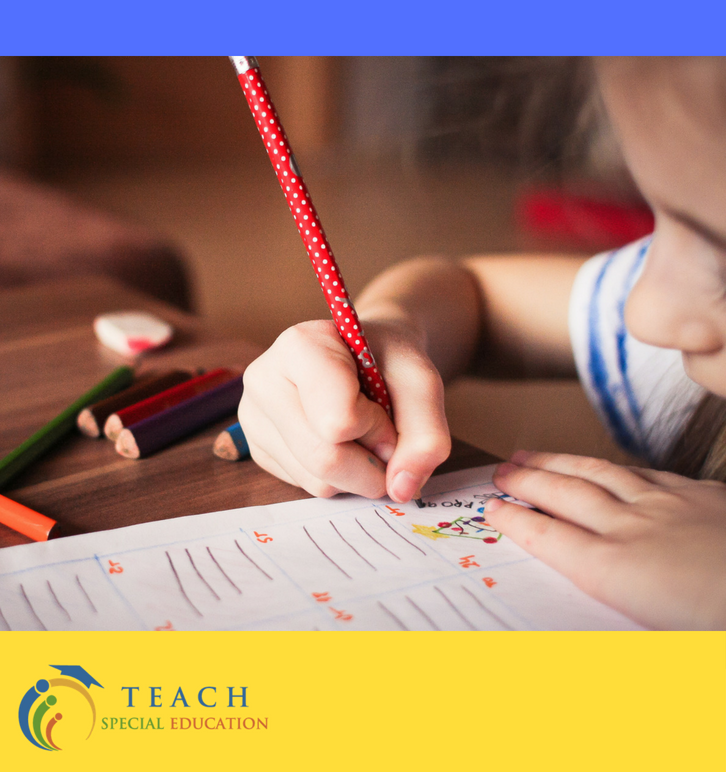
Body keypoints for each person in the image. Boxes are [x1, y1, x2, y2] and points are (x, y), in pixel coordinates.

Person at [238, 57, 726, 631]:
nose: (642, 313)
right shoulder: (678, 321)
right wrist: (391, 334)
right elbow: (473, 295)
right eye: (658, 223)